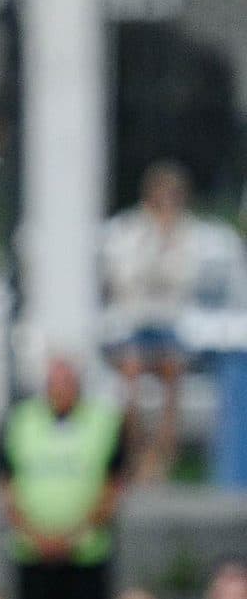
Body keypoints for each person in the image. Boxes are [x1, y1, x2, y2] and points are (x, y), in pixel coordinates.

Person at [1, 355, 127, 599]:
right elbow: (7, 482)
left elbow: (113, 485)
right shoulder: (22, 421)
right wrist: (37, 535)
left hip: (86, 556)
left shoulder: (102, 422)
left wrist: (73, 536)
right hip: (33, 555)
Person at [102, 162, 199, 482]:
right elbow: (125, 277)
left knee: (173, 372)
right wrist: (155, 244)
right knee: (131, 373)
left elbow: (181, 279)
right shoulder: (130, 228)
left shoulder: (185, 232)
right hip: (133, 323)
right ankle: (134, 449)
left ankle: (163, 455)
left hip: (165, 324)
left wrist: (166, 243)